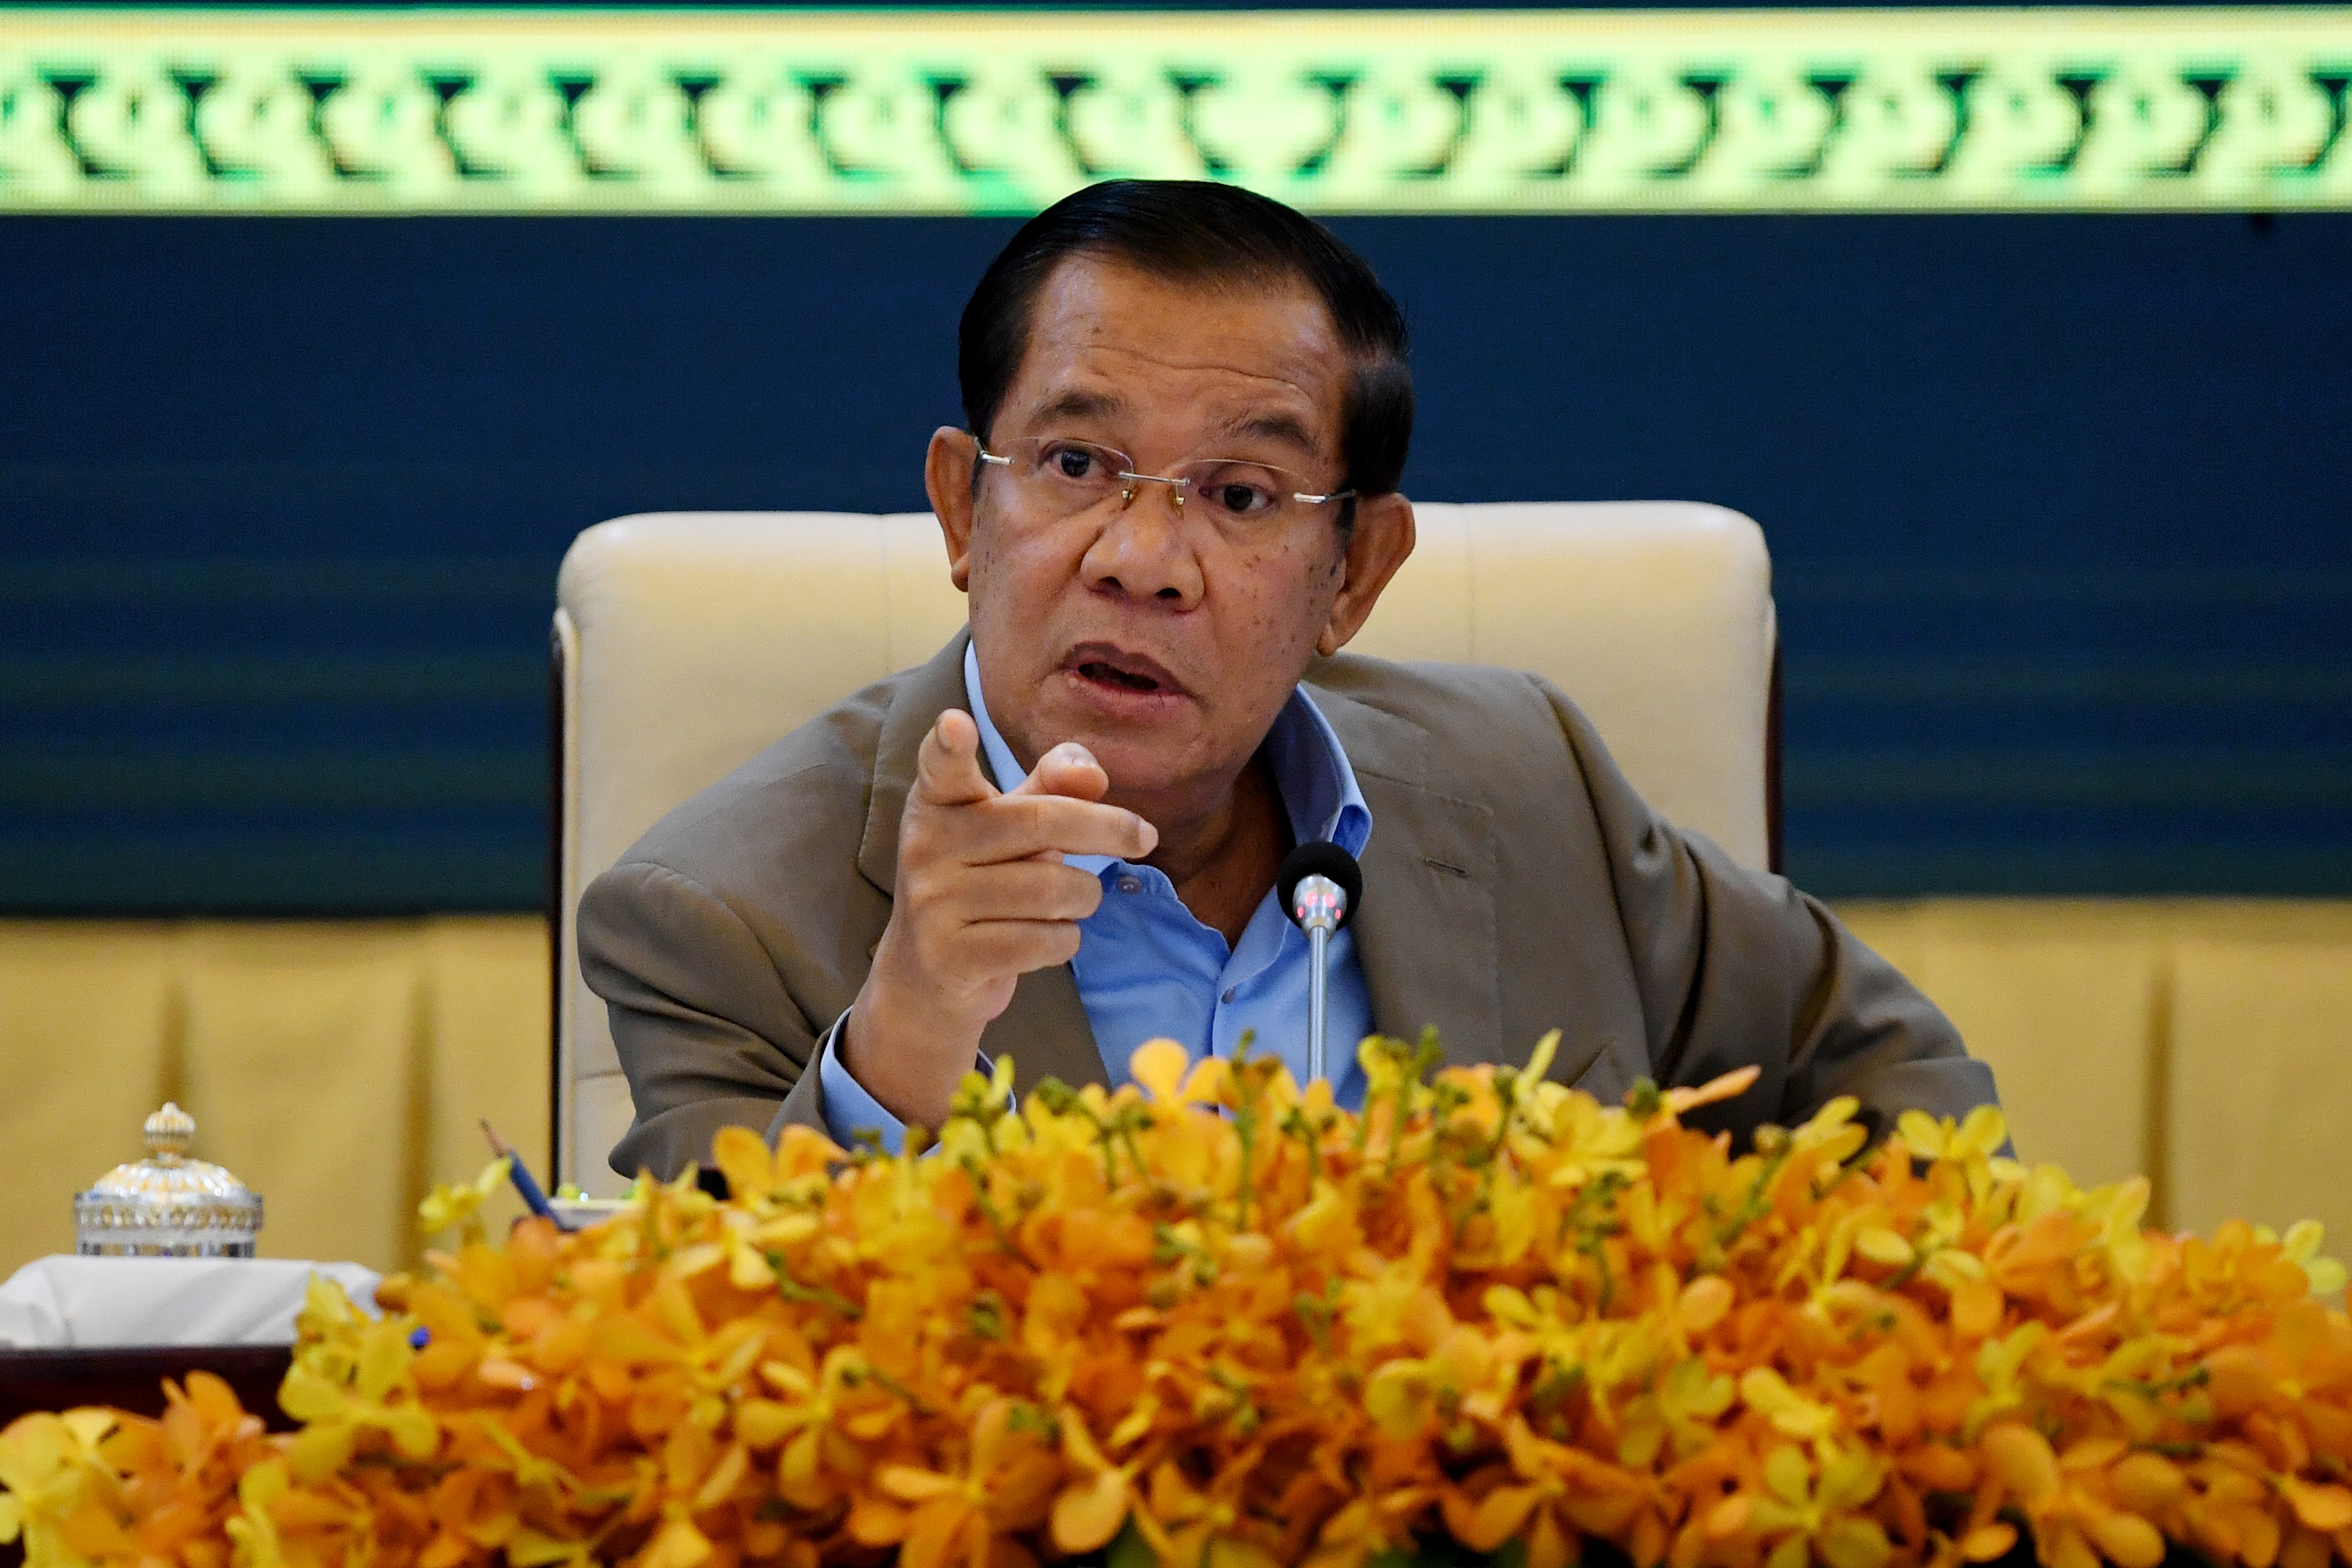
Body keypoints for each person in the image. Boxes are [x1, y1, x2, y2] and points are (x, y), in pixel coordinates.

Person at [579, 179, 1998, 1180]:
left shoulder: (1525, 782)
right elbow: (712, 1353)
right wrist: (904, 1041)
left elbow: (1893, 1079)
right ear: (963, 511)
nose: (1143, 558)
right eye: (1078, 467)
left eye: (1241, 494)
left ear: (1355, 577)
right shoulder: (716, 912)